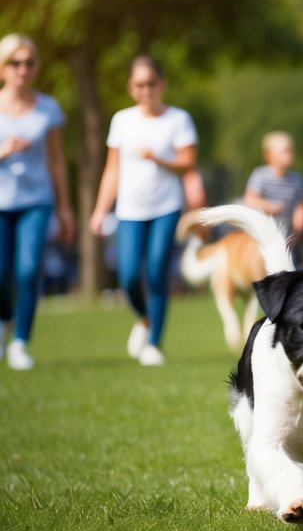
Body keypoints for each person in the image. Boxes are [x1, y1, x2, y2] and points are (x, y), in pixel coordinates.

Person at [89, 55, 197, 367]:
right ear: (130, 87)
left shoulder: (178, 119)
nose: (145, 90)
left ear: (161, 85)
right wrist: (99, 210)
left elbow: (187, 162)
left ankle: (154, 343)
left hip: (165, 206)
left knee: (157, 271)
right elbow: (112, 170)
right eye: (139, 84)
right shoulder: (122, 120)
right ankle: (143, 318)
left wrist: (158, 159)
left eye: (151, 83)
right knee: (128, 275)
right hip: (129, 209)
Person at [0, 34, 74, 370]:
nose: (23, 69)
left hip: (37, 201)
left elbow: (57, 160)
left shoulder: (48, 108)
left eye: (29, 63)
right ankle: (4, 322)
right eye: (16, 62)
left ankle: (20, 342)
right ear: (3, 67)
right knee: (1, 275)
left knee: (28, 270)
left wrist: (64, 207)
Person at [244, 131, 303, 248]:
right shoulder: (260, 175)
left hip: (289, 233)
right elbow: (250, 200)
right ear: (269, 155)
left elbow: (302, 205)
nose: (290, 155)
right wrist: (271, 207)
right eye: (285, 151)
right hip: (264, 230)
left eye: (291, 150)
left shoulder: (298, 179)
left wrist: (299, 226)